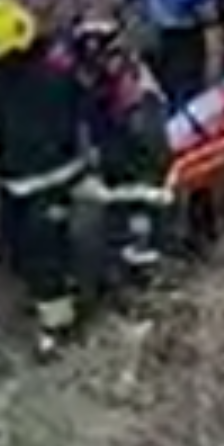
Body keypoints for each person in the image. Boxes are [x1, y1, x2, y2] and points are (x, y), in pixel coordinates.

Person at [0, 0, 91, 358]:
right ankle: (56, 294)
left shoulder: (57, 69)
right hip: (18, 182)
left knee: (45, 253)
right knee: (12, 247)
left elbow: (90, 110)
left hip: (58, 178)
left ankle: (57, 330)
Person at [67, 17, 176, 289]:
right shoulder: (99, 87)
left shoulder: (138, 99)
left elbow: (152, 157)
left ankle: (147, 281)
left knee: (141, 226)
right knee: (119, 225)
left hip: (140, 170)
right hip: (118, 168)